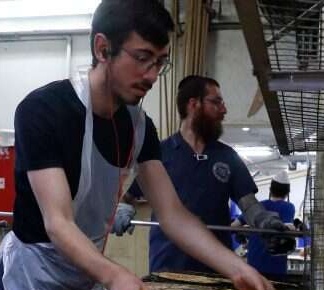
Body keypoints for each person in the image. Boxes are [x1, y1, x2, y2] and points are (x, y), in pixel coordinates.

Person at [0, 0, 278, 290]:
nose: (152, 75)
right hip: (30, 279)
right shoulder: (43, 111)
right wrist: (115, 275)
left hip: (85, 275)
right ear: (103, 49)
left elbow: (173, 215)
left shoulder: (139, 127)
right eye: (142, 58)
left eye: (160, 63)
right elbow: (58, 223)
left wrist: (237, 267)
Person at [118, 75, 290, 273]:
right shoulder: (159, 153)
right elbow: (129, 196)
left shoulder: (227, 156)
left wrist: (266, 221)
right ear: (194, 105)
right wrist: (122, 209)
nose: (224, 110)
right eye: (216, 102)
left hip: (217, 269)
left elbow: (249, 205)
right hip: (167, 268)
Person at [244, 171, 298, 277]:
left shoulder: (258, 206)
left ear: (270, 189)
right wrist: (297, 228)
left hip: (254, 261)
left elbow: (234, 225)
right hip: (274, 264)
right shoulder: (288, 207)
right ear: (287, 192)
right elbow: (289, 228)